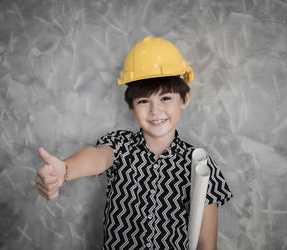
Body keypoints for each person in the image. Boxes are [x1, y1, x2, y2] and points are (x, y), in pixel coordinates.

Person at [35, 36, 232, 250]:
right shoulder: (120, 145)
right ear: (131, 106)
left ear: (184, 99)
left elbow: (206, 244)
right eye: (144, 101)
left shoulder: (199, 165)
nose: (155, 111)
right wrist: (65, 169)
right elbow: (98, 158)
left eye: (165, 98)